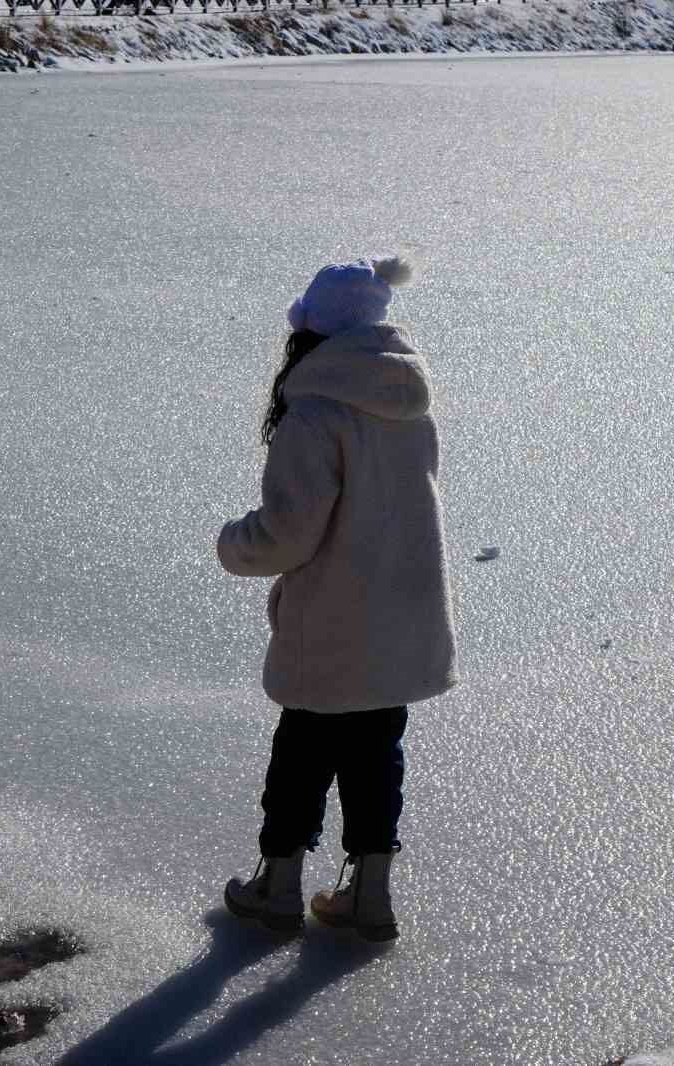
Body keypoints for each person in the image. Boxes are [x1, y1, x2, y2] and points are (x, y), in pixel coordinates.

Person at [217, 255, 458, 942]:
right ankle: (369, 895)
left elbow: (289, 534)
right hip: (402, 611)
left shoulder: (316, 415)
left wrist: (235, 544)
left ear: (311, 333)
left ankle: (278, 884)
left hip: (333, 618)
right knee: (376, 752)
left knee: (303, 751)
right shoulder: (409, 406)